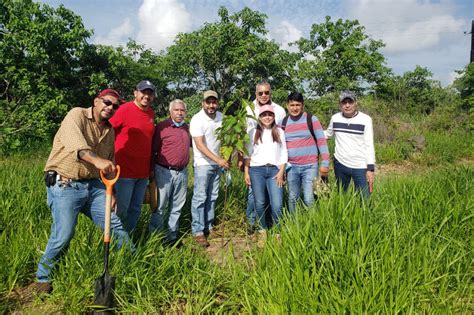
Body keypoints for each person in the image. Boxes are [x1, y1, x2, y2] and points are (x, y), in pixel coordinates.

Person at [20, 89, 130, 298]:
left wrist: (112, 190)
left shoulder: (109, 130)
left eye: (115, 106)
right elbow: (77, 147)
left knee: (114, 224)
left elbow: (110, 161)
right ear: (96, 101)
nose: (111, 108)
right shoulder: (76, 115)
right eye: (107, 103)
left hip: (94, 186)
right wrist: (98, 161)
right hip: (65, 184)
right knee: (64, 233)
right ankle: (43, 277)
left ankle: (130, 264)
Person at [109, 80, 156, 233]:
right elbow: (107, 132)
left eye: (150, 93)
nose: (146, 96)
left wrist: (150, 169)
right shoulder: (123, 110)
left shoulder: (151, 113)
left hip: (142, 173)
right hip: (124, 172)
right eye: (143, 92)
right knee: (121, 210)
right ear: (135, 93)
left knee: (136, 209)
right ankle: (118, 243)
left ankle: (129, 239)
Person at [242, 81, 286, 232]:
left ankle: (276, 230)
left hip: (274, 169)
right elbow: (247, 151)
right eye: (260, 93)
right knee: (256, 200)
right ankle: (257, 226)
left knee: (277, 203)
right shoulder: (251, 121)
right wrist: (246, 170)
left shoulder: (279, 125)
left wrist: (281, 171)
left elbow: (283, 151)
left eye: (266, 92)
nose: (264, 95)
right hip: (256, 169)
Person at [189, 90, 229, 247]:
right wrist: (218, 159)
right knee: (200, 197)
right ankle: (198, 231)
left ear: (217, 103)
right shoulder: (197, 119)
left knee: (212, 196)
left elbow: (227, 138)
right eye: (208, 102)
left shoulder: (222, 118)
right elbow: (199, 145)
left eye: (214, 102)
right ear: (203, 103)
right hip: (203, 164)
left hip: (218, 164)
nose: (211, 105)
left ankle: (209, 226)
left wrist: (226, 156)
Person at [148, 99, 190, 245]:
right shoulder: (162, 127)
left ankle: (172, 237)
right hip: (163, 171)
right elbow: (153, 150)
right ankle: (156, 238)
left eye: (182, 110)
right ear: (170, 111)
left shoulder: (187, 128)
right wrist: (151, 171)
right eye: (176, 110)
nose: (179, 113)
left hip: (182, 172)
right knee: (160, 206)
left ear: (185, 112)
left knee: (177, 207)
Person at [283, 92, 330, 212]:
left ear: (302, 105)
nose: (294, 108)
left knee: (309, 198)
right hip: (291, 167)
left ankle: (313, 224)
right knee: (293, 198)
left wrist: (325, 163)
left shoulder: (311, 119)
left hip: (310, 166)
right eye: (292, 105)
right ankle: (294, 225)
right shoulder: (283, 122)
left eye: (297, 105)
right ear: (287, 105)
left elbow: (321, 141)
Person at [325, 91, 375, 197]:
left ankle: (365, 214)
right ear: (340, 104)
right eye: (344, 102)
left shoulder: (365, 119)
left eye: (350, 102)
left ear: (355, 103)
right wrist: (309, 132)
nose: (347, 105)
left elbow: (369, 144)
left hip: (360, 166)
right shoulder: (335, 118)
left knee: (364, 197)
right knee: (341, 196)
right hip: (340, 164)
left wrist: (370, 168)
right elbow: (327, 134)